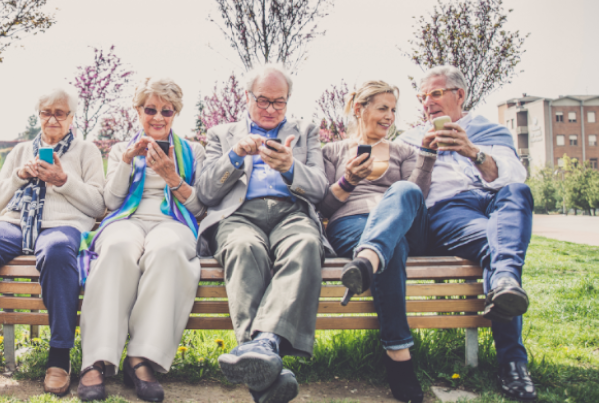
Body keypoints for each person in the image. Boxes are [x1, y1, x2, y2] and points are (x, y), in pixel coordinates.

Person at [0, 88, 106, 396]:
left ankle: (59, 357)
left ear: (72, 117)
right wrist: (18, 175)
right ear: (38, 115)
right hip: (15, 223)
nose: (52, 119)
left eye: (60, 113)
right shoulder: (20, 150)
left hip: (63, 225)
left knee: (57, 252)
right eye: (46, 112)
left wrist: (63, 181)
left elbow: (98, 205)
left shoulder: (87, 151)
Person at [397, 65, 536, 401]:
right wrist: (427, 154)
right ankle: (514, 364)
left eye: (435, 93)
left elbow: (515, 174)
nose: (427, 102)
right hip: (450, 210)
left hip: (496, 200)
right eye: (422, 97)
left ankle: (503, 282)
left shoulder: (488, 130)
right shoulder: (410, 139)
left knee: (518, 193)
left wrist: (472, 151)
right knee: (498, 249)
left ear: (459, 94)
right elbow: (408, 195)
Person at [196, 64, 331, 403]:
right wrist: (236, 155)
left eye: (279, 102)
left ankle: (262, 345)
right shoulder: (221, 133)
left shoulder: (306, 130)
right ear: (247, 97)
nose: (271, 109)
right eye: (263, 100)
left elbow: (319, 190)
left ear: (288, 101)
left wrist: (289, 167)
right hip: (239, 214)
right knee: (242, 248)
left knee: (306, 243)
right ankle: (268, 372)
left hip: (291, 212)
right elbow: (207, 193)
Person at [76, 77, 205, 402]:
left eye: (167, 111)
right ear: (138, 110)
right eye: (151, 109)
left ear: (176, 113)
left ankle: (140, 358)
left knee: (168, 250)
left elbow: (200, 206)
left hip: (173, 220)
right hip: (127, 218)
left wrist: (172, 177)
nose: (159, 118)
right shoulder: (122, 149)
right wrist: (126, 162)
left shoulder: (193, 151)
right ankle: (96, 359)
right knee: (117, 248)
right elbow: (112, 202)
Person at [319, 80, 436, 403]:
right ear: (360, 109)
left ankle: (366, 259)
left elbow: (418, 197)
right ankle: (400, 357)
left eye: (394, 110)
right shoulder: (332, 151)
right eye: (383, 108)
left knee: (404, 190)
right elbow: (324, 208)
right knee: (390, 249)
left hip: (405, 224)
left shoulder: (404, 151)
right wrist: (348, 180)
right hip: (351, 224)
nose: (390, 117)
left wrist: (427, 158)